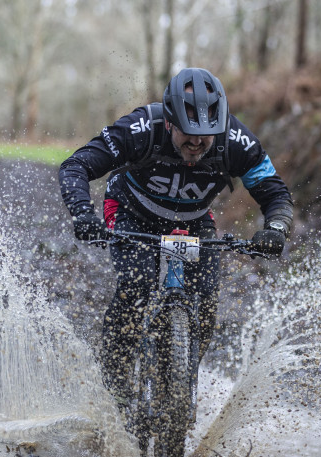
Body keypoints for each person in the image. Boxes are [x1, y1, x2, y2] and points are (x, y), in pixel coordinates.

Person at [58, 67, 294, 404]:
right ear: (169, 122)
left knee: (207, 304)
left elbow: (276, 195)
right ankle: (115, 382)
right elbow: (76, 166)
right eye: (187, 133)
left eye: (206, 134)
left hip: (194, 220)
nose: (196, 143)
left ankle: (178, 386)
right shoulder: (140, 128)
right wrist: (83, 213)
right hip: (131, 211)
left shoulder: (236, 141)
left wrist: (275, 228)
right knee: (136, 285)